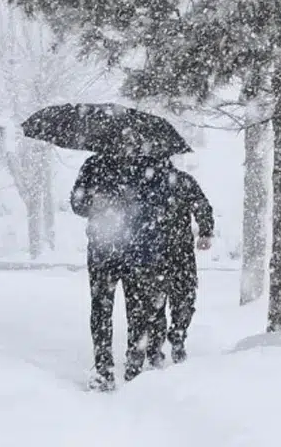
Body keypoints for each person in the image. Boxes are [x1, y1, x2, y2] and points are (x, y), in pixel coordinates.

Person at [71, 152, 173, 391]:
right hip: (104, 250)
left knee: (134, 309)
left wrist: (134, 204)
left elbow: (163, 203)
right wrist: (95, 202)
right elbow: (77, 204)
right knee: (102, 309)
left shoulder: (148, 166)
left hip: (134, 250)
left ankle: (133, 366)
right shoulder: (94, 165)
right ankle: (105, 367)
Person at [147, 165, 214, 367]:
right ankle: (176, 336)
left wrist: (205, 230)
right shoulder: (182, 180)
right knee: (182, 298)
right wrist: (205, 231)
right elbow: (202, 205)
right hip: (178, 251)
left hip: (154, 251)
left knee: (155, 301)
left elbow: (201, 205)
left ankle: (158, 344)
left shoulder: (145, 181)